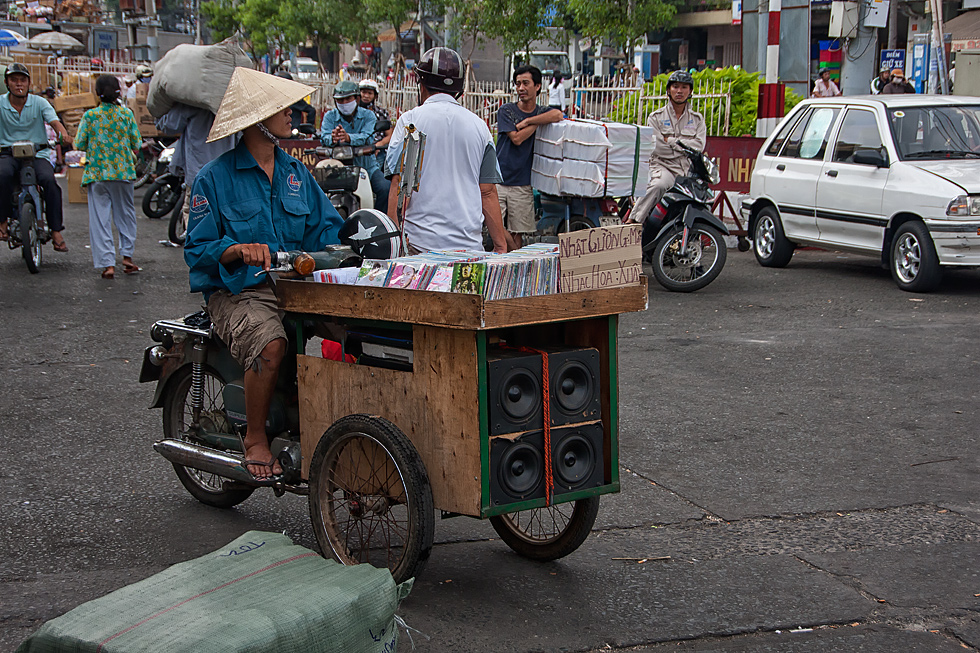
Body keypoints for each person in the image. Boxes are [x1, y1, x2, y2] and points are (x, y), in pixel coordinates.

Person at [184, 67, 344, 479]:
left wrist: (354, 245)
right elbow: (196, 251)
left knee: (356, 332)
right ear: (257, 120)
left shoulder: (297, 174)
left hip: (296, 287)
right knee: (271, 344)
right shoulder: (213, 179)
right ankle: (255, 436)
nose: (292, 113)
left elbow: (327, 229)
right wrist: (236, 249)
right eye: (281, 108)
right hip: (238, 293)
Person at [385, 46, 508, 254]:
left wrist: (394, 245)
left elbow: (400, 187)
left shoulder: (411, 122)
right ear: (459, 89)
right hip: (469, 251)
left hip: (419, 248)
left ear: (421, 83)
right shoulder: (480, 127)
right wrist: (500, 246)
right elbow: (487, 192)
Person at [73, 75, 143, 279]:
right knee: (126, 215)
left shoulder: (90, 116)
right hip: (123, 173)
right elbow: (136, 144)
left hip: (97, 173)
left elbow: (79, 143)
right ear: (118, 93)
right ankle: (127, 258)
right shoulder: (126, 114)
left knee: (100, 219)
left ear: (97, 94)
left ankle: (107, 265)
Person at [0, 63, 71, 250]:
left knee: (49, 181)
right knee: (2, 175)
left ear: (29, 83)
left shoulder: (40, 102)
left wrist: (62, 134)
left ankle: (56, 230)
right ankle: (2, 222)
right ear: (7, 83)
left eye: (22, 80)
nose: (18, 84)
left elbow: (55, 122)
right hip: (8, 153)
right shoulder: (0, 103)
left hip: (37, 154)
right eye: (14, 80)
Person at [154, 102, 238, 245]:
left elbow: (169, 125)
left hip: (198, 174)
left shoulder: (191, 103)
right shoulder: (230, 103)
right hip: (227, 174)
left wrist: (158, 112)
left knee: (197, 221)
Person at [495, 65, 562, 243]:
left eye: (525, 83)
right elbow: (517, 139)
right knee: (495, 226)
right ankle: (514, 255)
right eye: (518, 84)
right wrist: (539, 123)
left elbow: (557, 115)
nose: (521, 88)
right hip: (499, 179)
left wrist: (529, 121)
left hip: (523, 182)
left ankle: (514, 265)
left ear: (537, 86)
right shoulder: (506, 110)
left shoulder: (540, 112)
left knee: (518, 232)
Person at [629, 70, 706, 224]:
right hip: (663, 166)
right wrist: (683, 148)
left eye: (684, 87)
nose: (679, 91)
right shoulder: (656, 117)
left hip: (686, 170)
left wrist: (670, 140)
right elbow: (658, 148)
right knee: (659, 185)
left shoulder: (697, 119)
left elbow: (699, 146)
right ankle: (634, 221)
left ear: (690, 91)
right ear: (668, 90)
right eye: (675, 86)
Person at [320, 80, 390, 213]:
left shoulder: (368, 115)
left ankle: (378, 221)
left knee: (385, 188)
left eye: (348, 99)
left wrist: (348, 138)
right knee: (318, 193)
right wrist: (333, 138)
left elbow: (368, 137)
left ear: (357, 99)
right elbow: (324, 136)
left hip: (367, 167)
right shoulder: (330, 116)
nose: (344, 103)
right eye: (340, 100)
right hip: (338, 168)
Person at [358, 78, 392, 172]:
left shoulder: (381, 113)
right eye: (364, 92)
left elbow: (389, 135)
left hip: (378, 150)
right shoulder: (353, 113)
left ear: (375, 96)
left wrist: (378, 145)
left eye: (370, 93)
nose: (366, 96)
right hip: (358, 149)